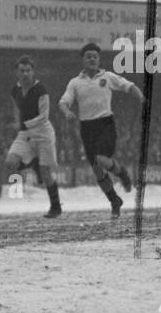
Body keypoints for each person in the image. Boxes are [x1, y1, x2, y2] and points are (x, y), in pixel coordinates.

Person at [59, 43, 145, 218]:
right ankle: (114, 200)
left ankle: (122, 174)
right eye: (88, 56)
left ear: (99, 60)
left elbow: (129, 86)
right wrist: (67, 111)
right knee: (97, 170)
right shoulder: (75, 83)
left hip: (105, 124)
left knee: (101, 159)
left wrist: (143, 100)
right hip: (87, 128)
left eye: (95, 56)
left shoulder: (107, 77)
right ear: (83, 59)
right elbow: (63, 101)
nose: (92, 59)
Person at [4, 55, 63, 218]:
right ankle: (33, 162)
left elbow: (44, 116)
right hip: (25, 133)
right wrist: (17, 124)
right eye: (22, 71)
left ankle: (56, 207)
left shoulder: (41, 90)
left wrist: (25, 124)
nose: (25, 74)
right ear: (17, 72)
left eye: (28, 70)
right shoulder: (14, 90)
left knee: (45, 172)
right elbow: (16, 108)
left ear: (33, 72)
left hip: (43, 133)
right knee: (10, 163)